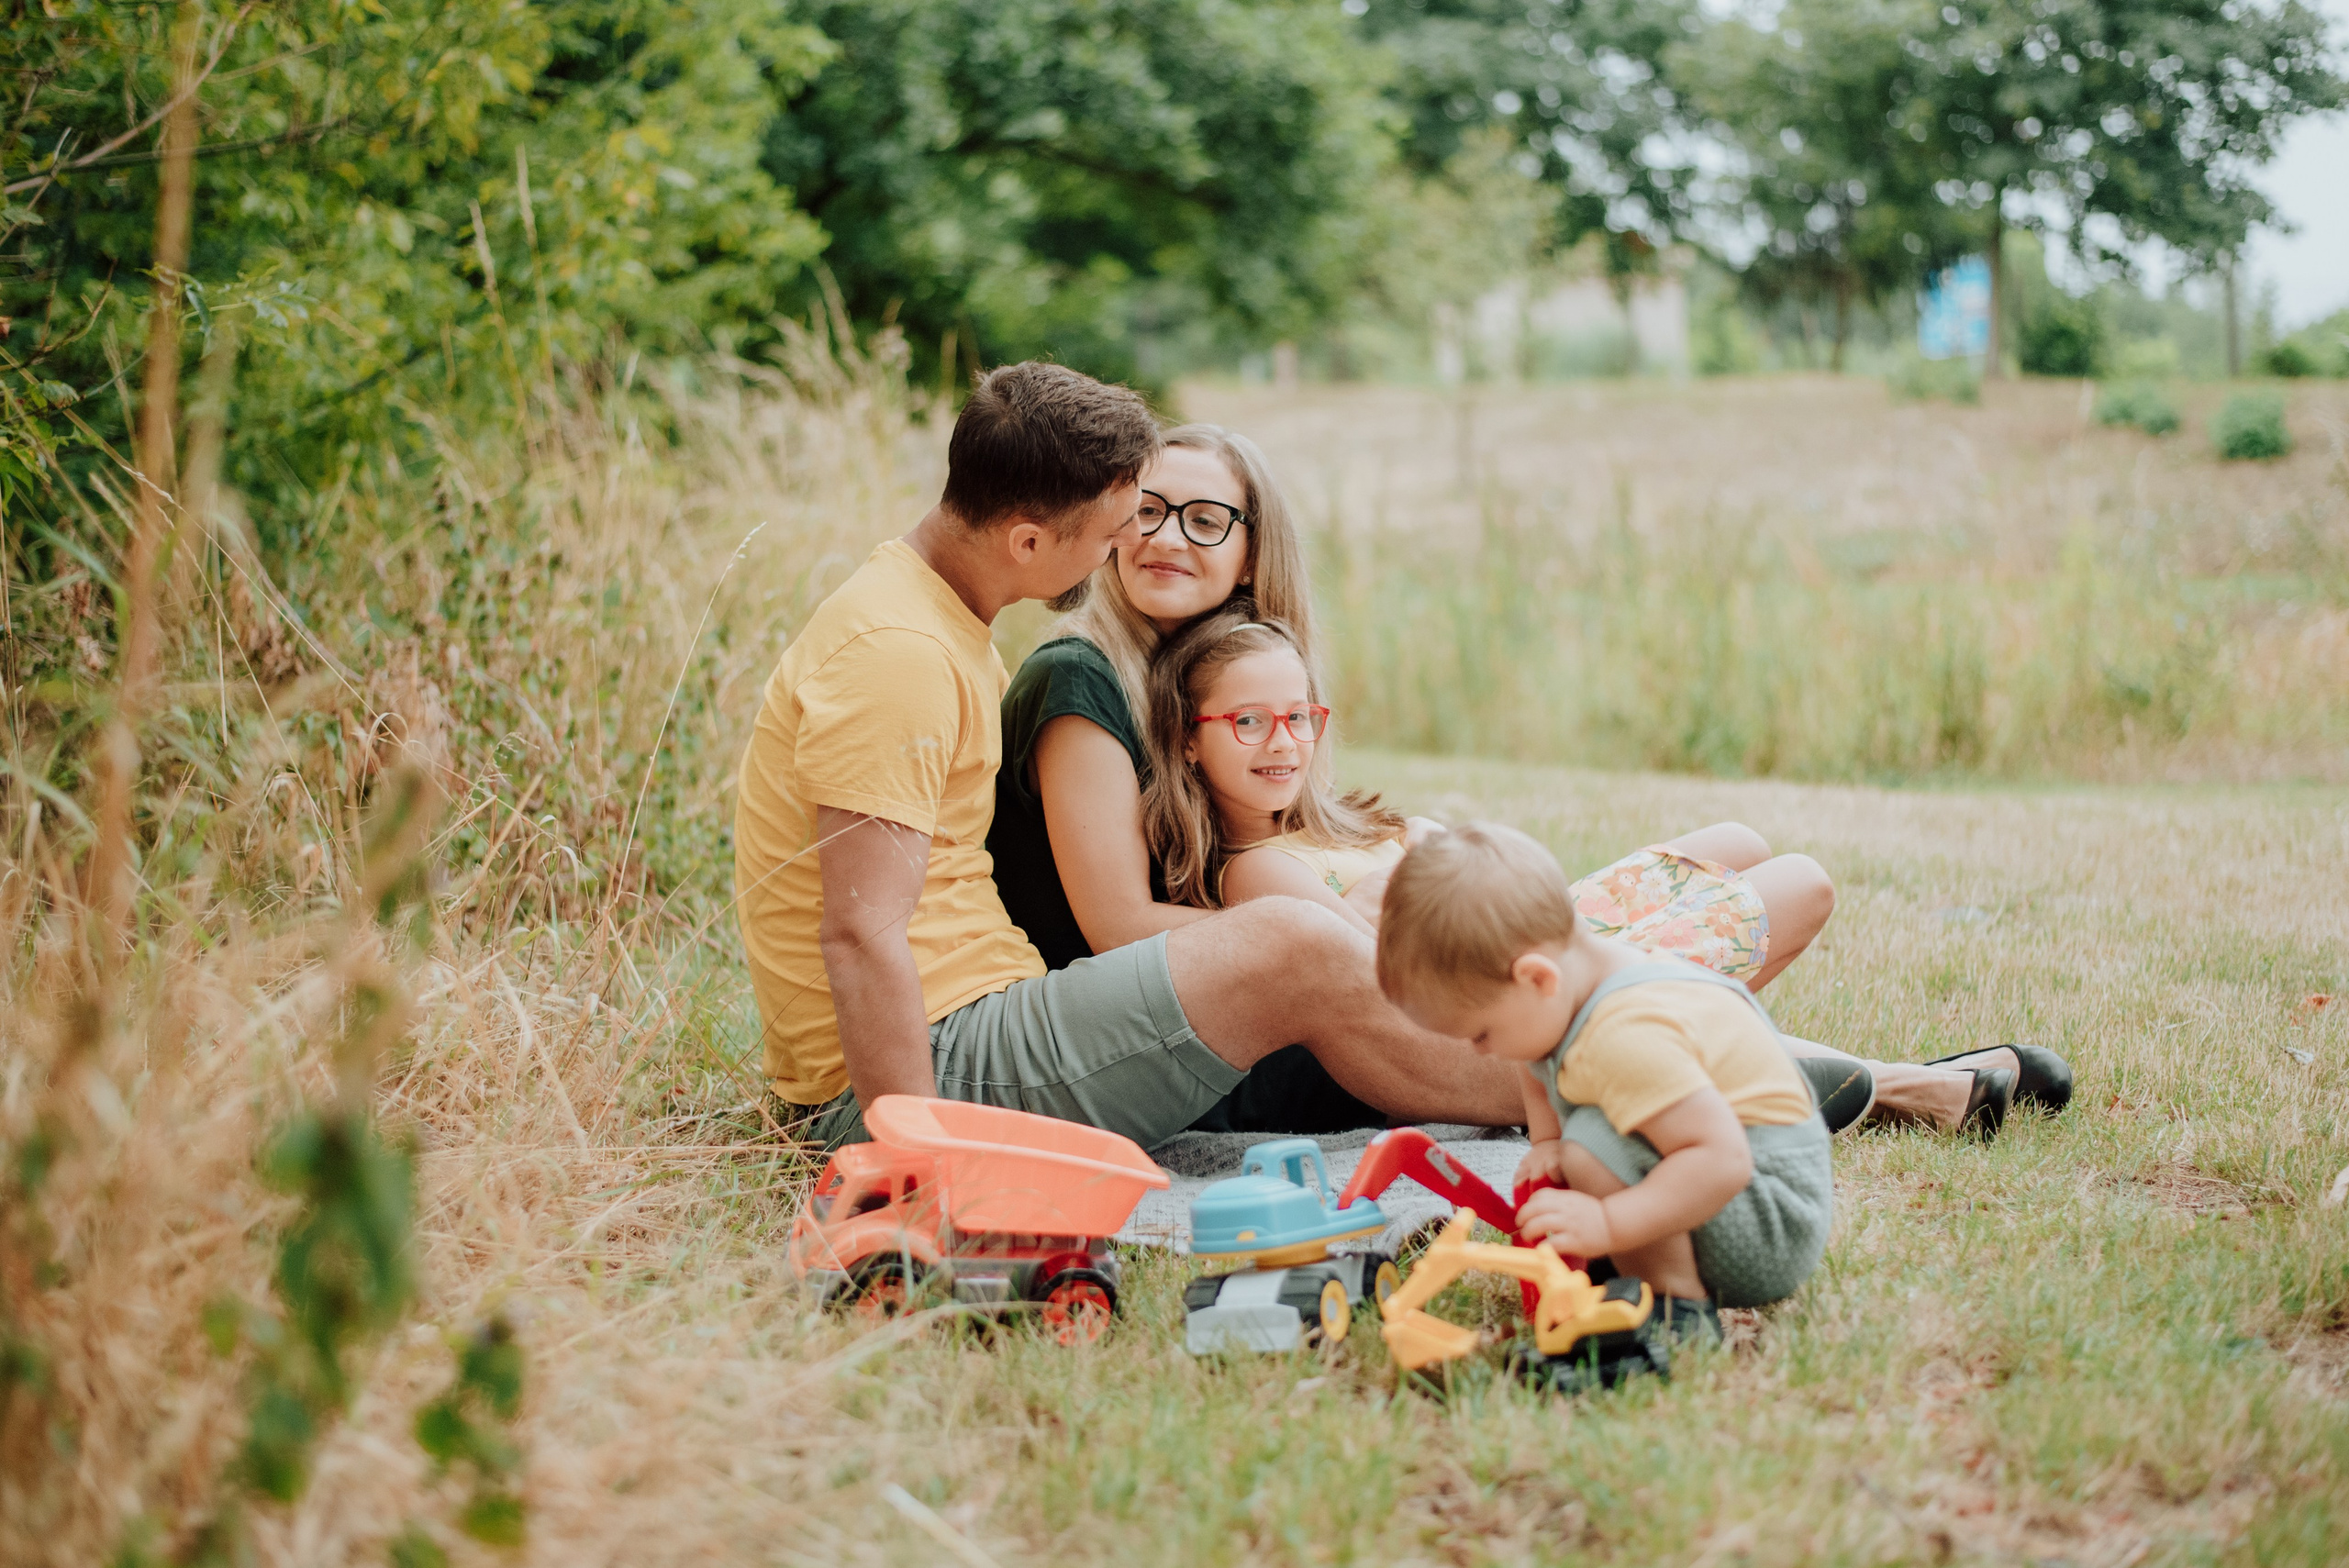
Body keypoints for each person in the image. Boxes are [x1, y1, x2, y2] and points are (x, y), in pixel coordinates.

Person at [990, 424, 2065, 1137]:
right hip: (1225, 1029)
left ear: (1248, 546)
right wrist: (1326, 933)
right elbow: (1118, 924)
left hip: (1311, 974)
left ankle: (1794, 1064)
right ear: (1111, 518)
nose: (1168, 537)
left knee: (1711, 862)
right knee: (1636, 946)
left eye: (1205, 517)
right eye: (1147, 509)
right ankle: (1880, 1084)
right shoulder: (1082, 675)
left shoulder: (1212, 676)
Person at [734, 361, 1529, 1150]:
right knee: (1293, 942)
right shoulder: (897, 654)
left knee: (1312, 933)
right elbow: (860, 932)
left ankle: (1558, 1055)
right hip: (919, 1066)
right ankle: (1576, 1082)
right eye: (1115, 529)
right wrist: (912, 1161)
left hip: (978, 1018)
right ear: (1028, 540)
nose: (1130, 544)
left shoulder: (937, 622)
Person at [1375, 822, 1837, 1341]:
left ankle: (1675, 1308)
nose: (1481, 1051)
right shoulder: (1566, 994)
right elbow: (1534, 1063)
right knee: (1573, 1141)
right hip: (1729, 1192)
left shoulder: (1623, 1033)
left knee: (1591, 1146)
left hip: (1770, 1222)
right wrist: (1546, 1141)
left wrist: (1609, 1223)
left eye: (1481, 1034)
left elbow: (1722, 1159)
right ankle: (1632, 1263)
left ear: (1537, 978)